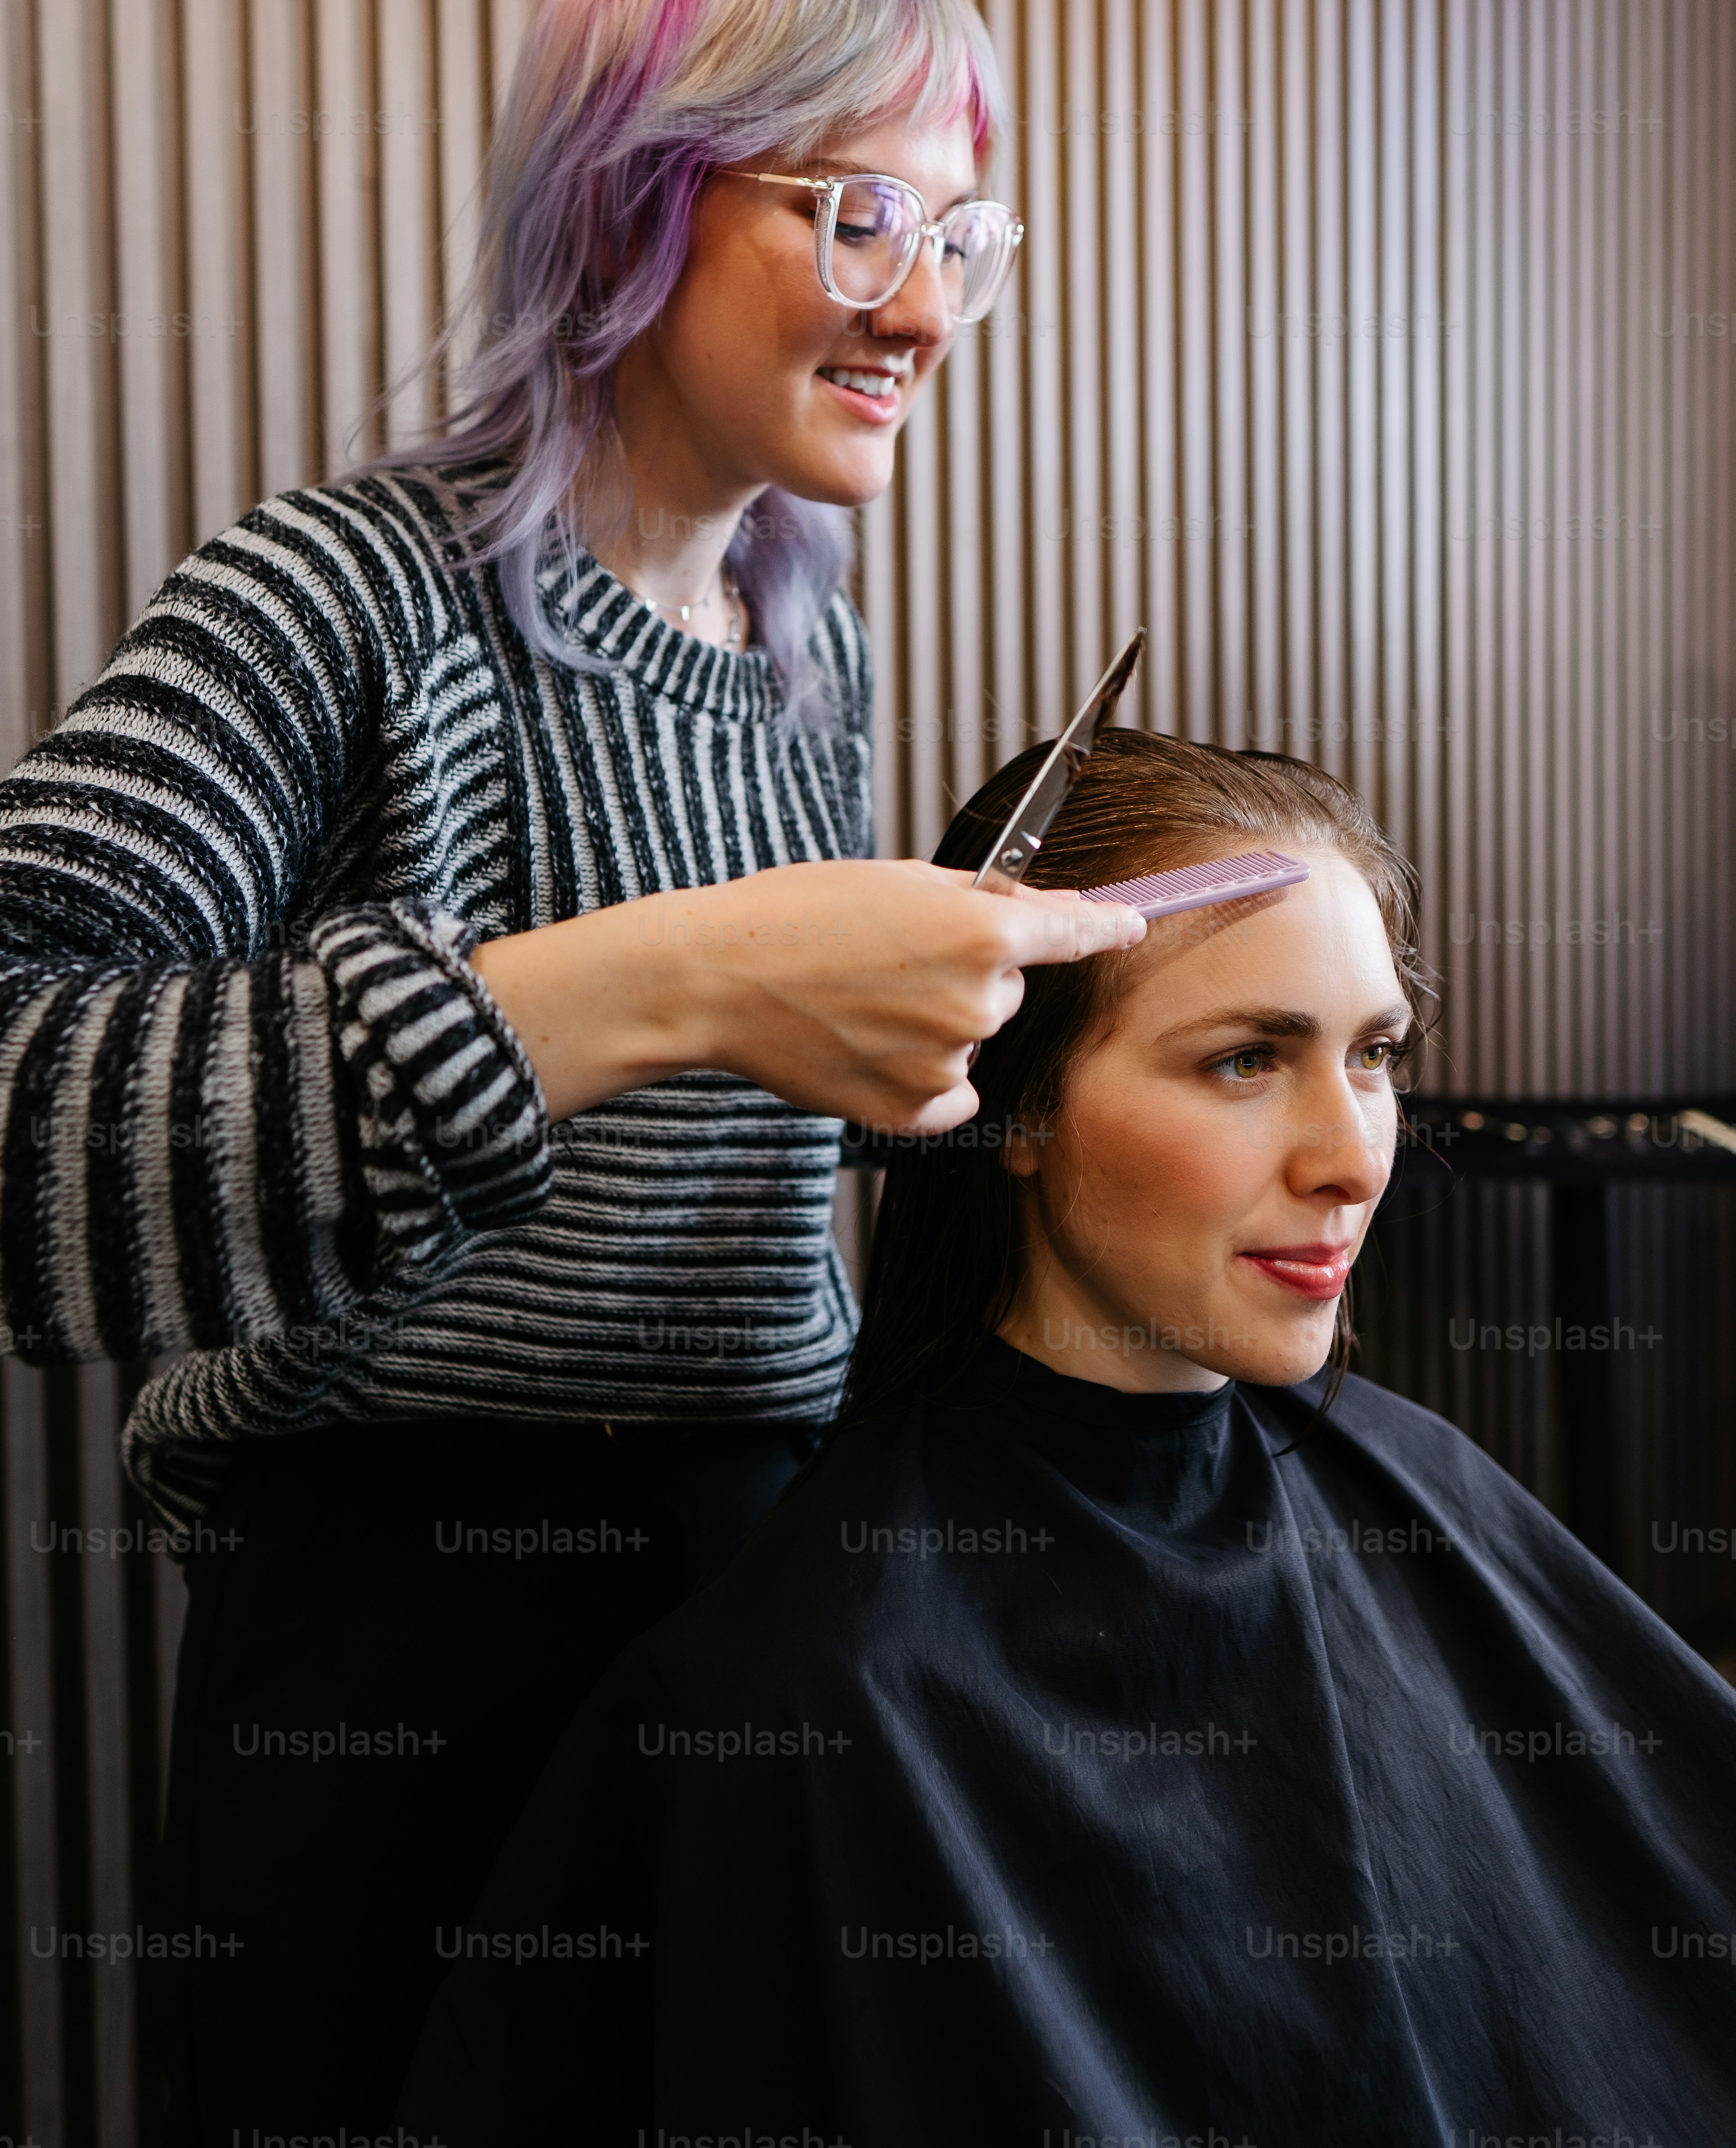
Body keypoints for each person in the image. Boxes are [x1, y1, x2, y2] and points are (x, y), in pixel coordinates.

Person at [0, 0, 1142, 2137]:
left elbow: (717, 1177)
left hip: (750, 1613)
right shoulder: (342, 594)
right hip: (392, 1665)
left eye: (965, 236)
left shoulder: (807, 659)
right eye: (863, 212)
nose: (929, 309)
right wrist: (681, 977)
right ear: (632, 195)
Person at [400, 730, 1736, 2148]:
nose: (1351, 1155)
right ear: (1019, 1103)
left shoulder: (1427, 1493)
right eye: (1242, 1061)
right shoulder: (827, 1690)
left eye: (1375, 1055)